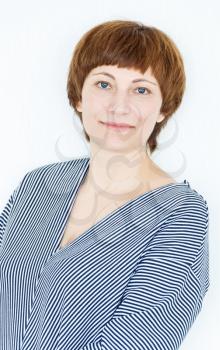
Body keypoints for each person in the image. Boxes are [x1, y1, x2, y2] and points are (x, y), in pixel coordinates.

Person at [0, 19, 209, 349]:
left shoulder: (180, 215)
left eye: (141, 90)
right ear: (78, 96)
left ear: (163, 107)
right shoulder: (37, 185)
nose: (118, 106)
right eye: (103, 84)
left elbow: (139, 340)